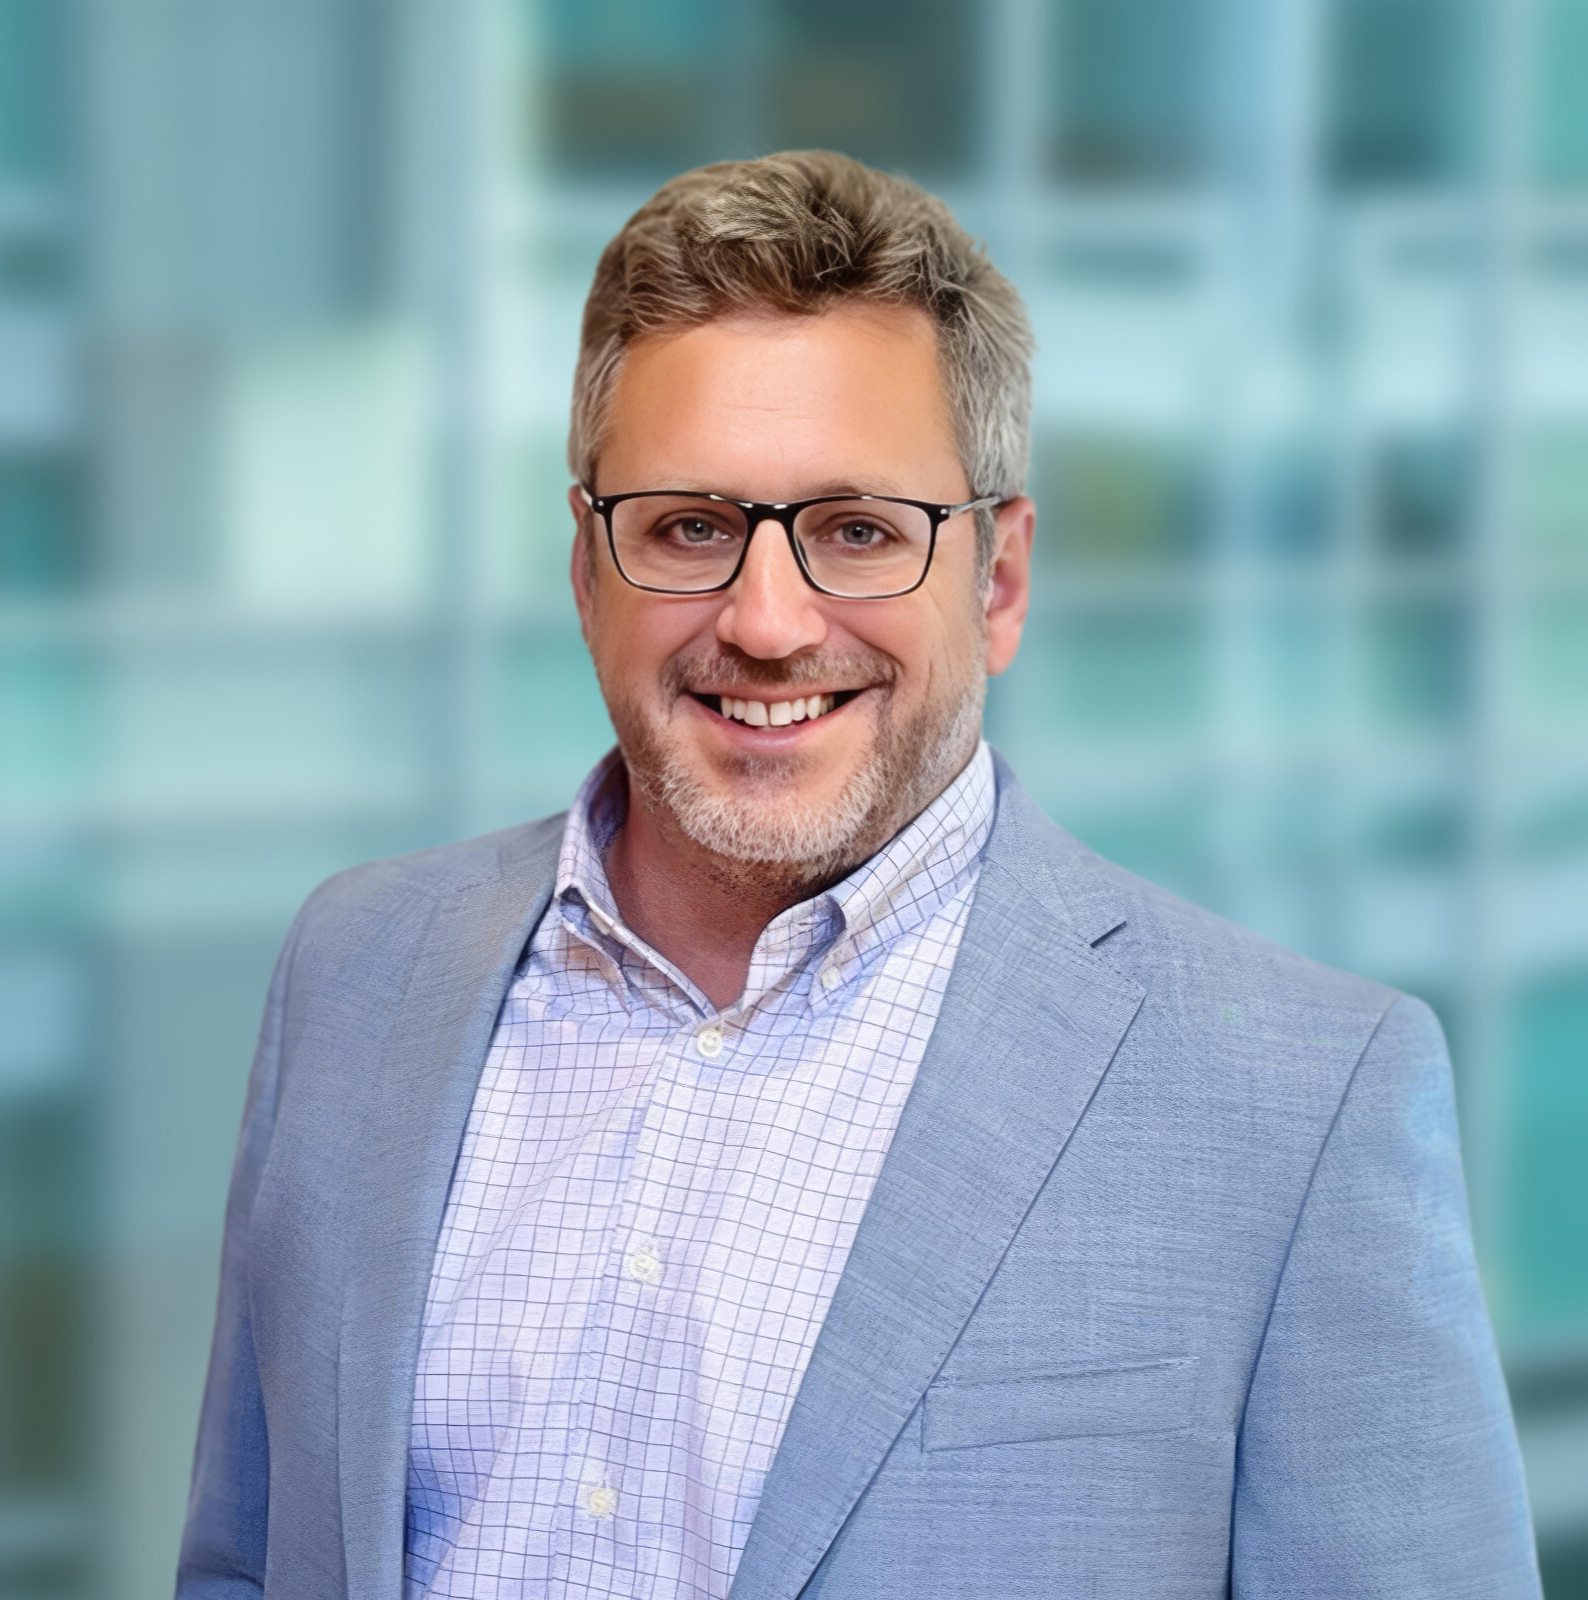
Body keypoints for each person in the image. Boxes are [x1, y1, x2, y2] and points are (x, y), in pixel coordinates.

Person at [177, 151, 1539, 1600]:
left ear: (998, 581)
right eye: (690, 528)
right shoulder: (358, 969)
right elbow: (245, 1565)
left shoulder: (1301, 1102)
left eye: (858, 533)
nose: (767, 624)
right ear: (586, 570)